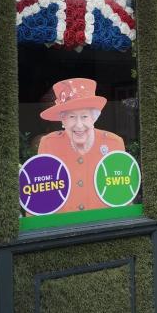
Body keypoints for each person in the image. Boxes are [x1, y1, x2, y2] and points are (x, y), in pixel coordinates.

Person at [37, 78, 124, 213]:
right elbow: (40, 194)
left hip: (105, 226)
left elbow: (122, 194)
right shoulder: (49, 144)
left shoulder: (113, 143)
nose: (79, 125)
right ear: (63, 120)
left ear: (94, 118)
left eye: (84, 116)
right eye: (71, 117)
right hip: (62, 227)